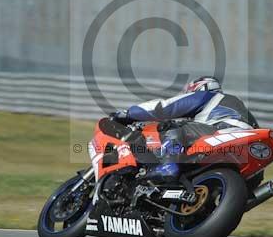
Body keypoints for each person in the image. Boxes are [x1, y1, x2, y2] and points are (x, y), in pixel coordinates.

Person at [110, 76, 259, 180]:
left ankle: (168, 165)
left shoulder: (208, 95)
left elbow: (166, 107)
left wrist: (128, 114)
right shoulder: (242, 110)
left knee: (173, 126)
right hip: (247, 157)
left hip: (221, 132)